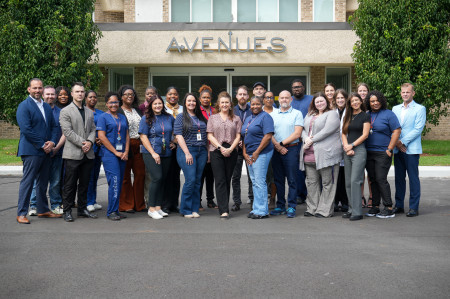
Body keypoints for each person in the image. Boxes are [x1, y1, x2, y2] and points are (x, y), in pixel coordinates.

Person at [16, 78, 60, 224]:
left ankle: (42, 210)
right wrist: (42, 144)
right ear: (29, 89)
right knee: (28, 182)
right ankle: (21, 213)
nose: (37, 91)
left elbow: (54, 126)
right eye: (34, 88)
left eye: (40, 88)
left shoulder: (47, 107)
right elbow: (26, 129)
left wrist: (53, 142)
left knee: (43, 182)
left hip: (46, 151)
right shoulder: (24, 106)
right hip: (31, 150)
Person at [59, 82, 98, 222]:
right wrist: (83, 143)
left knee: (84, 184)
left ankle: (82, 209)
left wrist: (90, 142)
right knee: (70, 184)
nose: (80, 94)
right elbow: (67, 132)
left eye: (82, 91)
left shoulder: (89, 111)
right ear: (72, 94)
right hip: (73, 153)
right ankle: (67, 211)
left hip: (88, 154)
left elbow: (93, 129)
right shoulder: (65, 111)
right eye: (77, 91)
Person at [300, 93, 342, 218]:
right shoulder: (309, 115)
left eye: (321, 101)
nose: (319, 103)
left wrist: (311, 140)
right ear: (313, 103)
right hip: (309, 156)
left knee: (327, 183)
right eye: (317, 102)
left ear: (326, 102)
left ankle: (324, 210)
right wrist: (305, 138)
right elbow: (302, 129)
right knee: (311, 183)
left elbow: (327, 130)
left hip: (326, 156)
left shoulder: (332, 114)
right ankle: (312, 208)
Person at [28, 85, 65, 216]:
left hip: (57, 151)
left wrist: (55, 147)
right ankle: (34, 205)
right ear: (43, 95)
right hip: (40, 151)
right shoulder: (37, 109)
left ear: (56, 96)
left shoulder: (61, 112)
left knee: (55, 181)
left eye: (52, 94)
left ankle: (55, 205)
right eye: (47, 94)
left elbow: (64, 132)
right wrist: (43, 146)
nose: (50, 96)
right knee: (37, 181)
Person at [364, 90, 401, 218]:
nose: (375, 103)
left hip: (383, 152)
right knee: (373, 179)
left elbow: (396, 131)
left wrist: (390, 149)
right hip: (369, 152)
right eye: (372, 101)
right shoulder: (367, 114)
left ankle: (388, 207)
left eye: (377, 100)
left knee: (381, 179)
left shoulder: (389, 114)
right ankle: (375, 206)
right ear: (369, 103)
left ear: (381, 100)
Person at [392, 83, 426, 217]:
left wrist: (402, 142)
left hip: (411, 150)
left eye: (408, 92)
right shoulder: (395, 109)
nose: (405, 94)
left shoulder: (420, 109)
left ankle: (413, 207)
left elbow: (418, 129)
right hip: (398, 150)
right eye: (403, 92)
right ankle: (399, 205)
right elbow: (393, 127)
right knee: (399, 178)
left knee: (413, 178)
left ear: (413, 93)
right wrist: (397, 144)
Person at [139, 95, 175, 219]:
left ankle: (158, 207)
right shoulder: (146, 118)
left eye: (160, 103)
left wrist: (173, 142)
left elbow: (175, 132)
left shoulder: (169, 118)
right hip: (151, 153)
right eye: (155, 104)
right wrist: (153, 153)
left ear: (163, 104)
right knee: (156, 178)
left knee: (162, 179)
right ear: (150, 105)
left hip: (166, 153)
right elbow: (143, 137)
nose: (158, 106)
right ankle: (151, 207)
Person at [207, 92, 242, 219]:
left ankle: (224, 205)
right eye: (222, 102)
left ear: (230, 104)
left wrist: (231, 148)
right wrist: (221, 148)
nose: (224, 104)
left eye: (227, 102)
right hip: (216, 150)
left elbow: (238, 136)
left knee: (227, 179)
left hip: (232, 150)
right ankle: (224, 210)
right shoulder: (213, 118)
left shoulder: (236, 119)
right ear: (218, 104)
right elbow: (210, 135)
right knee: (220, 179)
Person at [174, 93, 208, 218]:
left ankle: (195, 208)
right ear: (185, 103)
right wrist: (187, 153)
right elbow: (178, 135)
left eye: (194, 101)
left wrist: (207, 152)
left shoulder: (201, 117)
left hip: (202, 151)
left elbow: (205, 135)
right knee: (191, 180)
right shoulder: (180, 117)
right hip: (187, 151)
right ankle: (185, 209)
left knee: (198, 181)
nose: (191, 103)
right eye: (189, 101)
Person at [270, 90, 303, 218]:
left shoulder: (297, 113)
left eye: (286, 98)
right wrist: (278, 146)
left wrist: (281, 144)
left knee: (292, 179)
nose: (284, 100)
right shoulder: (273, 114)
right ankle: (280, 205)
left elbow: (297, 134)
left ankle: (292, 206)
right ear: (279, 100)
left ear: (291, 99)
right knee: (278, 179)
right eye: (282, 98)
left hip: (292, 149)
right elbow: (269, 133)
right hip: (276, 150)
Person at [97, 92, 130, 221]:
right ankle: (111, 211)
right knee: (114, 182)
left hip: (122, 154)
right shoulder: (103, 117)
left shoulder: (122, 117)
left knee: (119, 182)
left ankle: (116, 210)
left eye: (116, 102)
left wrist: (126, 151)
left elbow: (126, 135)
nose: (114, 104)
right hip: (110, 155)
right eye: (111, 102)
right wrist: (116, 152)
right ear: (106, 104)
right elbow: (101, 137)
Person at [242, 96, 274, 219]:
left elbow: (268, 136)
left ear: (262, 104)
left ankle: (262, 211)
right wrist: (245, 153)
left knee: (260, 181)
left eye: (257, 104)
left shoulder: (266, 117)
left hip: (262, 153)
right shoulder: (249, 118)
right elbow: (244, 136)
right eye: (253, 104)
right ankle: (256, 208)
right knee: (254, 181)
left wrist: (256, 152)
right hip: (249, 153)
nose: (255, 106)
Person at [341, 92, 370, 221]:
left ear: (360, 101)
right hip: (348, 150)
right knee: (348, 182)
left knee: (355, 181)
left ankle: (358, 212)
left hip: (359, 150)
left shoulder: (365, 116)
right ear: (350, 103)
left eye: (357, 100)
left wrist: (352, 145)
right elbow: (343, 133)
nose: (355, 103)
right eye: (352, 101)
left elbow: (365, 135)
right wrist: (347, 147)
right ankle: (351, 209)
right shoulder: (347, 115)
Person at [117, 85, 146, 213]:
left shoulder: (138, 111)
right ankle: (126, 204)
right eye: (126, 94)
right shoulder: (118, 111)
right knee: (125, 176)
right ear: (121, 97)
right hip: (125, 145)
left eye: (132, 94)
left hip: (139, 145)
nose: (129, 96)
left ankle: (139, 204)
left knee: (140, 174)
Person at [231, 85, 253, 211]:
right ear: (237, 96)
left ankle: (252, 199)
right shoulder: (232, 111)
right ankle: (237, 202)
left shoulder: (253, 109)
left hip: (249, 148)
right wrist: (237, 140)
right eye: (240, 94)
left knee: (252, 176)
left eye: (245, 94)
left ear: (248, 96)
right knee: (236, 176)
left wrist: (244, 141)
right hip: (236, 149)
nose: (242, 96)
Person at [290, 79, 312, 205]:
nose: (297, 89)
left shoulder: (311, 99)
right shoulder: (290, 100)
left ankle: (314, 194)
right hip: (294, 140)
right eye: (294, 87)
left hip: (310, 139)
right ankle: (300, 194)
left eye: (299, 86)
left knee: (311, 167)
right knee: (298, 170)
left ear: (303, 87)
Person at [162, 86, 182, 213]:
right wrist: (171, 141)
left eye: (175, 94)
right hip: (166, 146)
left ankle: (174, 203)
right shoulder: (162, 108)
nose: (172, 96)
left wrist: (176, 142)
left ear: (178, 96)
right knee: (166, 176)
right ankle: (165, 204)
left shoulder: (182, 109)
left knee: (176, 176)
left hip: (179, 146)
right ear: (166, 95)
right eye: (170, 94)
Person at [198, 84, 217, 210]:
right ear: (200, 99)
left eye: (208, 97)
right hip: (201, 147)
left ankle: (210, 200)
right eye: (204, 97)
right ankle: (197, 201)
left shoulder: (215, 111)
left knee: (211, 176)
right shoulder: (197, 111)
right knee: (200, 176)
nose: (206, 99)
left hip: (214, 147)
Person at [139, 86, 158, 207]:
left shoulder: (160, 109)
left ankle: (157, 201)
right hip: (146, 147)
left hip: (160, 148)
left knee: (156, 176)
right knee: (148, 175)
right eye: (147, 93)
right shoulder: (141, 109)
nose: (149, 95)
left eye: (152, 93)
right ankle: (148, 200)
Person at [85, 90, 104, 212]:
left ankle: (94, 200)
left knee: (95, 175)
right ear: (86, 98)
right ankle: (88, 201)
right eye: (90, 97)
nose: (93, 99)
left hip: (99, 148)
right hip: (88, 148)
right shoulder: (83, 112)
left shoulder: (101, 113)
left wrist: (101, 139)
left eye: (95, 97)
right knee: (88, 176)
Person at [334, 89, 349, 212]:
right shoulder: (332, 112)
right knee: (336, 176)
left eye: (342, 98)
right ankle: (335, 201)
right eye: (338, 98)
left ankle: (345, 201)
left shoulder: (349, 111)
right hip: (334, 147)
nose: (340, 100)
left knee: (345, 175)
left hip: (348, 145)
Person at [357, 82, 372, 207]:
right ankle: (361, 196)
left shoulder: (372, 106)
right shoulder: (355, 106)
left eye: (364, 91)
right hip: (358, 144)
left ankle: (372, 197)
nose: (362, 93)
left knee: (371, 173)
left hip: (370, 142)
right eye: (360, 90)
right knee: (360, 173)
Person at [262, 90, 278, 209]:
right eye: (267, 97)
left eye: (271, 97)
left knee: (273, 175)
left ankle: (273, 198)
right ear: (263, 99)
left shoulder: (278, 112)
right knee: (263, 175)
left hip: (276, 147)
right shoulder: (258, 111)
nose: (269, 99)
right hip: (262, 148)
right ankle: (262, 198)